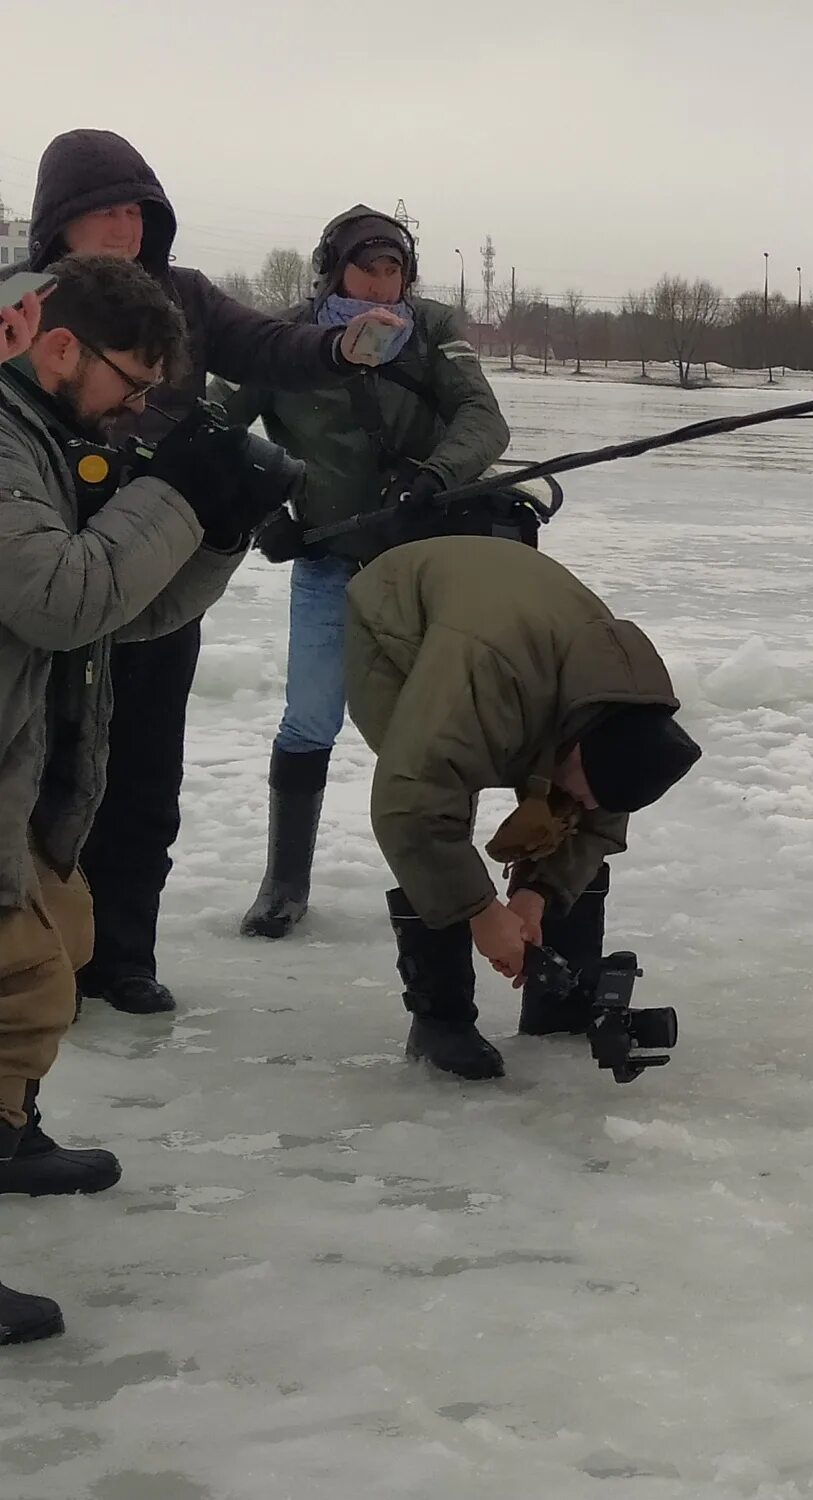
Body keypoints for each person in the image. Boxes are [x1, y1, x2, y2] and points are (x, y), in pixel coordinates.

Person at [25, 129, 402, 1016]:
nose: (120, 228)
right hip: (53, 567)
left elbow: (267, 344)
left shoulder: (183, 297)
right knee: (44, 770)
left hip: (161, 566)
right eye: (100, 211)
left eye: (134, 211)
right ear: (59, 224)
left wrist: (339, 350)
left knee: (147, 771)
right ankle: (41, 967)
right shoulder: (26, 307)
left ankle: (123, 956)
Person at [0, 256, 285, 1343]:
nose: (134, 409)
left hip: (18, 777)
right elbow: (64, 596)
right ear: (59, 345)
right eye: (131, 381)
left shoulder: (46, 436)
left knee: (39, 965)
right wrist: (175, 492)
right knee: (16, 977)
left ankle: (9, 1136)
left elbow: (119, 617)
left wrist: (215, 533)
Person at [217, 205, 512, 943]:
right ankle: (284, 884)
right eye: (367, 267)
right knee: (310, 717)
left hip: (421, 564)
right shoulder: (284, 338)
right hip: (325, 559)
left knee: (433, 729)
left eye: (396, 270)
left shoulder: (436, 329)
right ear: (331, 269)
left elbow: (484, 419)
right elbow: (214, 429)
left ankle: (438, 882)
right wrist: (263, 509)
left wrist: (429, 478)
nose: (384, 286)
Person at [344, 537, 701, 1080]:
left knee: (574, 804)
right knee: (438, 792)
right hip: (399, 620)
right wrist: (482, 913)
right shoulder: (490, 679)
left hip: (512, 628)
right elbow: (411, 802)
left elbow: (599, 811)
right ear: (578, 744)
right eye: (587, 784)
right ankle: (440, 1020)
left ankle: (557, 997)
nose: (587, 802)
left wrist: (537, 896)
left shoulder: (622, 710)